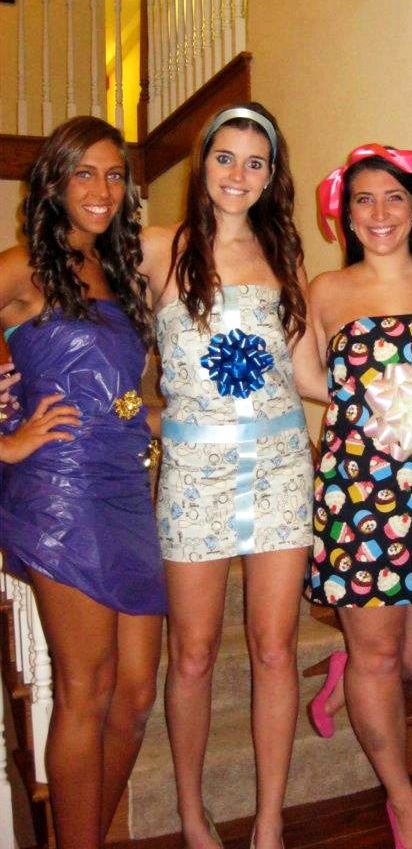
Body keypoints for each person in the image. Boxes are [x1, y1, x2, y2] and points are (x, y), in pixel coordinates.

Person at [140, 104, 326, 849]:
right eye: (225, 157)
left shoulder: (286, 259)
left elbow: (310, 374)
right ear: (202, 163)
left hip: (281, 468)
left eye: (255, 162)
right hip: (192, 475)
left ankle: (271, 821)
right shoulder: (159, 249)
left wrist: (397, 393)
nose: (238, 174)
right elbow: (79, 307)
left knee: (274, 648)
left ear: (271, 174)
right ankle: (192, 812)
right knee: (190, 653)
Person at [0, 116, 166, 849]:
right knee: (86, 691)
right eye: (84, 173)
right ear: (54, 183)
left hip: (128, 488)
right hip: (59, 496)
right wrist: (7, 443)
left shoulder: (120, 271)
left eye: (115, 174)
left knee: (134, 698)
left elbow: (125, 395)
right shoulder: (19, 268)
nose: (102, 189)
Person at [306, 144, 412, 849]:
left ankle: (346, 669)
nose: (379, 214)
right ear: (345, 211)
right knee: (378, 657)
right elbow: (313, 382)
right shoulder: (325, 292)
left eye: (394, 197)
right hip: (359, 496)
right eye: (363, 199)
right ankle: (405, 805)